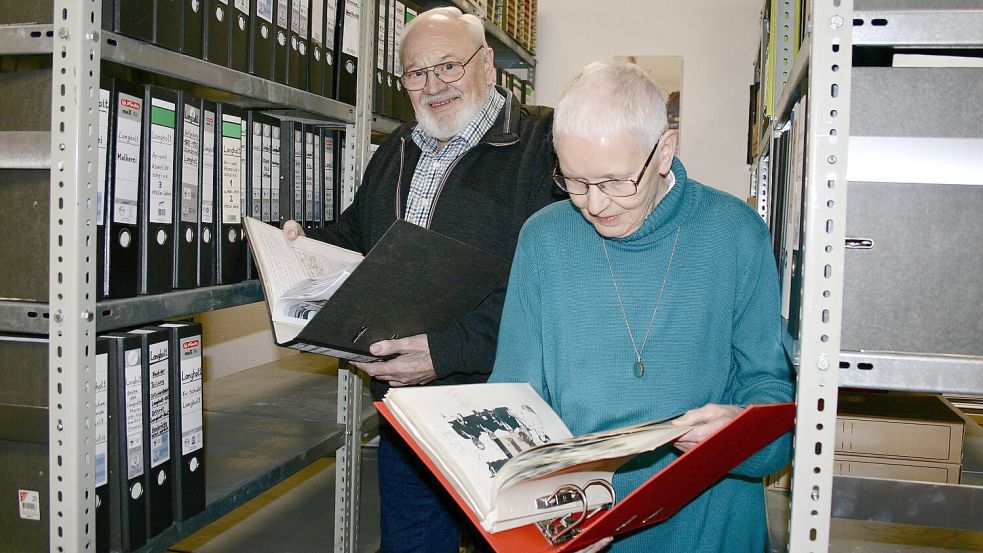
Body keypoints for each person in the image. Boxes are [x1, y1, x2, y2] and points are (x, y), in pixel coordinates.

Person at [282, 7, 560, 552]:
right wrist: (300, 245)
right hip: (407, 409)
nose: (433, 85)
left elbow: (545, 287)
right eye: (415, 73)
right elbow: (359, 236)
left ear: (488, 65)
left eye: (449, 66)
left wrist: (448, 349)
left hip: (501, 412)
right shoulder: (397, 149)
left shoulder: (539, 146)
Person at [489, 60, 794, 552]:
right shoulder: (544, 238)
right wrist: (540, 519)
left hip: (709, 529)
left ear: (665, 151)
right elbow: (513, 401)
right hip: (581, 521)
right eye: (574, 180)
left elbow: (772, 399)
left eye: (614, 181)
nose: (593, 203)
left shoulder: (735, 233)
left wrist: (735, 436)